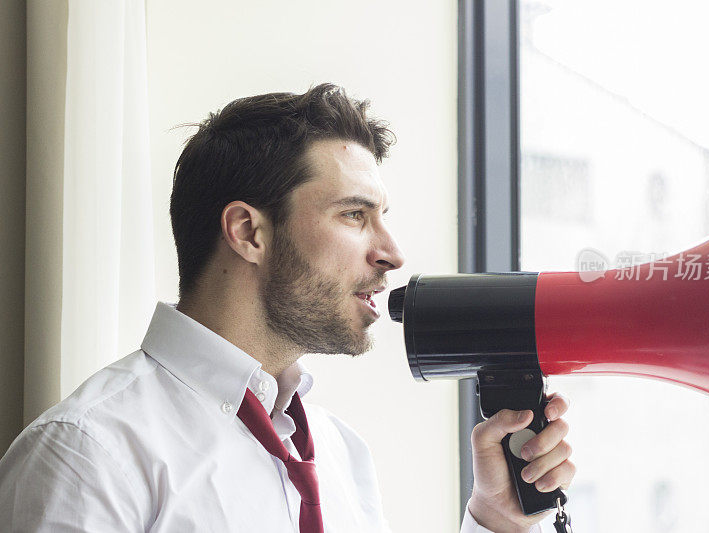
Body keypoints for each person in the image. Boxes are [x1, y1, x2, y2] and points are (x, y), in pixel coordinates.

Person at [0, 83, 574, 532]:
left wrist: (496, 521)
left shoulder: (340, 452)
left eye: (383, 217)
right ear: (249, 231)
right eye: (354, 215)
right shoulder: (88, 452)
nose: (392, 253)